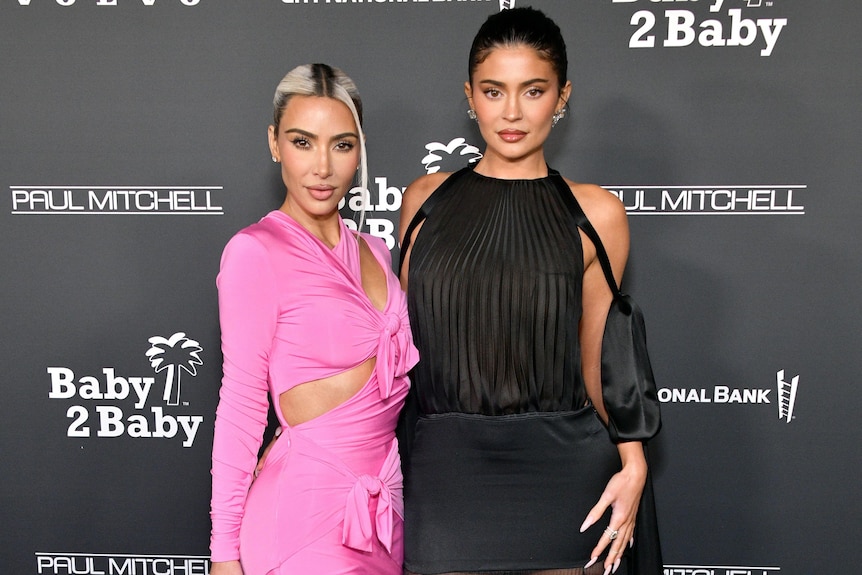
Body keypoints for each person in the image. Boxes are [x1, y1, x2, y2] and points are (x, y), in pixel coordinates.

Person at [398, 8, 661, 575]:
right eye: (494, 91)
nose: (511, 112)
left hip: (566, 471)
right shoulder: (423, 200)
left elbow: (601, 352)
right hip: (445, 472)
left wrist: (633, 463)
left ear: (562, 96)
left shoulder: (596, 213)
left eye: (533, 90)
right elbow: (397, 349)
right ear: (470, 96)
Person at [209, 63, 419, 575]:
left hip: (381, 516)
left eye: (342, 145)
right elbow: (240, 404)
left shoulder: (376, 251)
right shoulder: (255, 253)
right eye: (303, 142)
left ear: (359, 150)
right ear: (274, 143)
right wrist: (224, 554)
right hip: (302, 519)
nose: (322, 166)